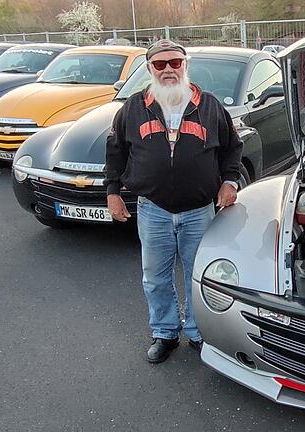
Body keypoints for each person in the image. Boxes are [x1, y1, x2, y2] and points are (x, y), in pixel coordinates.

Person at [105, 39, 243, 364]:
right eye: (160, 64)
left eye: (175, 63)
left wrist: (229, 181)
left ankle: (198, 332)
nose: (168, 69)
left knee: (199, 274)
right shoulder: (133, 108)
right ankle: (165, 332)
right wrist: (113, 192)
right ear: (150, 69)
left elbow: (232, 147)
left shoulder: (208, 105)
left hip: (199, 210)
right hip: (153, 208)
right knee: (155, 276)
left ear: (185, 65)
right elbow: (115, 152)